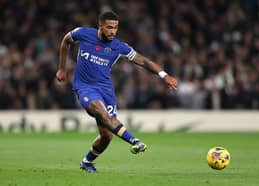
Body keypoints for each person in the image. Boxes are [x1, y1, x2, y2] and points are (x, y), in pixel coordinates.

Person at [56, 11, 178, 173]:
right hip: (84, 87)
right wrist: (62, 69)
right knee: (104, 116)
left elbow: (143, 61)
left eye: (115, 28)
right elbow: (65, 41)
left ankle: (87, 162)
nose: (113, 31)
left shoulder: (119, 46)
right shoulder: (83, 34)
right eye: (109, 27)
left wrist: (164, 75)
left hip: (106, 90)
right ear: (100, 26)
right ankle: (135, 140)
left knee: (107, 136)